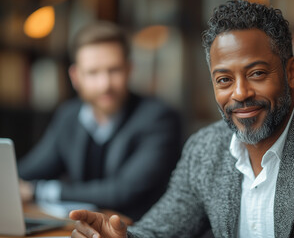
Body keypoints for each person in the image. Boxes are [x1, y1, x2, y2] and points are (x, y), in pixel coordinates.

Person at [69, 1, 294, 238]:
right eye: (224, 80)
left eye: (256, 73)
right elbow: (157, 231)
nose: (240, 93)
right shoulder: (204, 149)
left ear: (291, 72)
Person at [18, 21, 182, 221]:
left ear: (130, 69)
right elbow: (30, 169)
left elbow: (122, 191)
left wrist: (38, 191)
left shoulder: (158, 118)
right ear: (75, 77)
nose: (105, 84)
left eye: (114, 70)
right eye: (93, 72)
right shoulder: (69, 116)